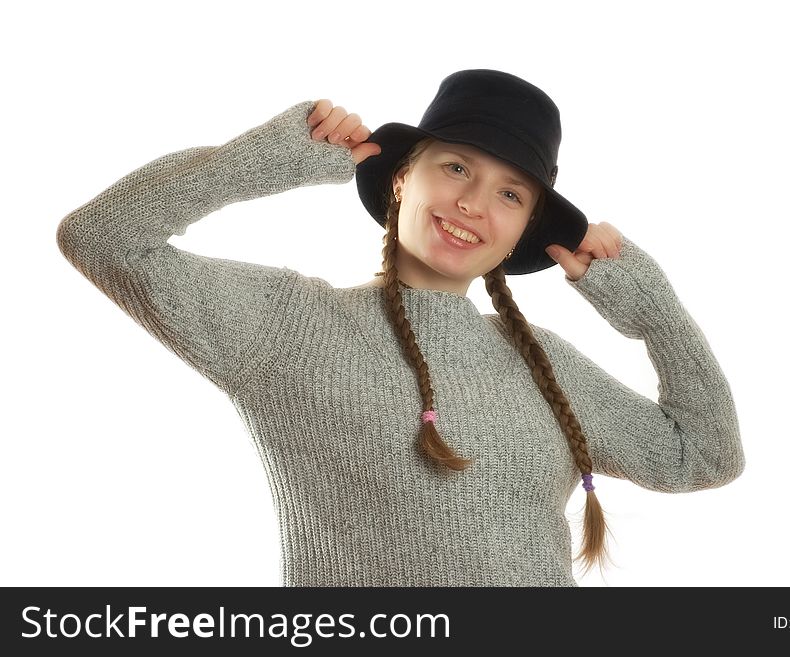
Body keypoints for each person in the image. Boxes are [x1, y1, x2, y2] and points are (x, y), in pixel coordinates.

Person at [56, 69, 745, 587]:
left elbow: (706, 456)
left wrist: (655, 312)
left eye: (510, 193)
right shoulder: (284, 327)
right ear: (400, 181)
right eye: (455, 167)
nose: (473, 202)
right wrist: (256, 161)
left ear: (522, 234)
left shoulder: (542, 362)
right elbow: (99, 238)